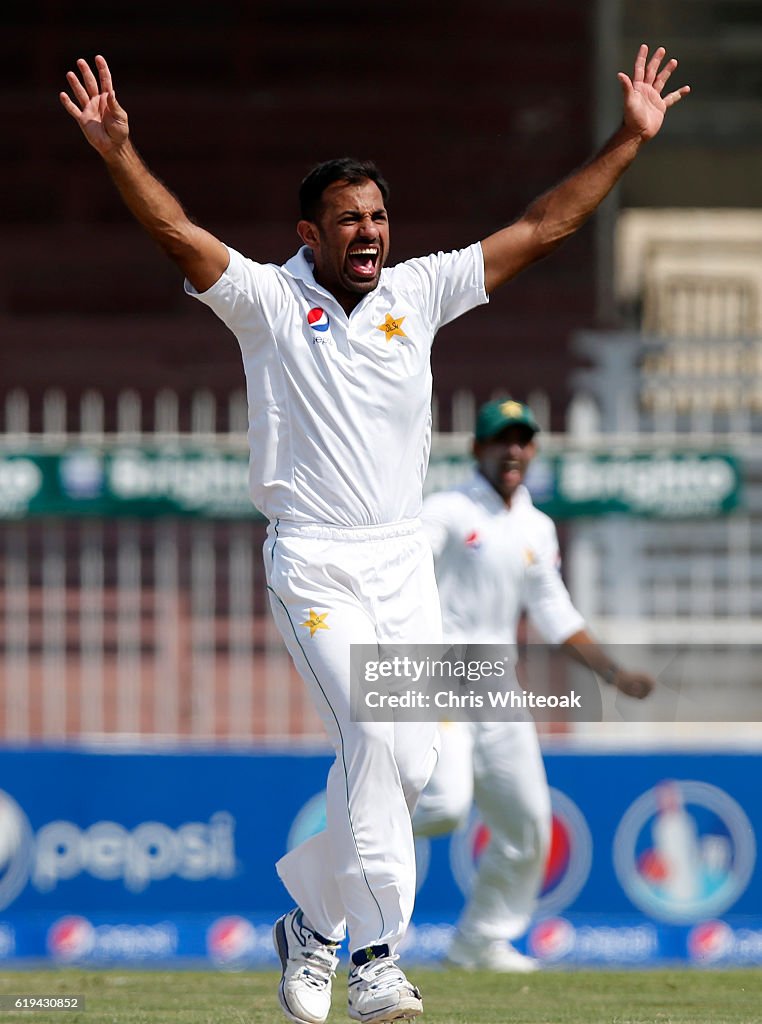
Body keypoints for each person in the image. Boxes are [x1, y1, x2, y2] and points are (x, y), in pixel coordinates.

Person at [60, 47, 687, 1024]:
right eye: (349, 219)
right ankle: (378, 959)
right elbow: (175, 231)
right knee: (372, 739)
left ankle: (311, 924)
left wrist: (630, 139)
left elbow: (546, 224)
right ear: (309, 232)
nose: (369, 232)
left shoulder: (419, 291)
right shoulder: (271, 303)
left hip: (402, 568)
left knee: (420, 769)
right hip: (315, 560)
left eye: (380, 218)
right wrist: (118, 152)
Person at [413, 398, 656, 972]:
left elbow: (555, 612)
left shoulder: (537, 527)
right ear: (478, 450)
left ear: (534, 451)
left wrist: (614, 674)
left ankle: (479, 943)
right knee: (445, 807)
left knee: (527, 826)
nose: (514, 450)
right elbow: (404, 573)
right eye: (502, 440)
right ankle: (357, 831)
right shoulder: (446, 510)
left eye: (523, 440)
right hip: (440, 678)